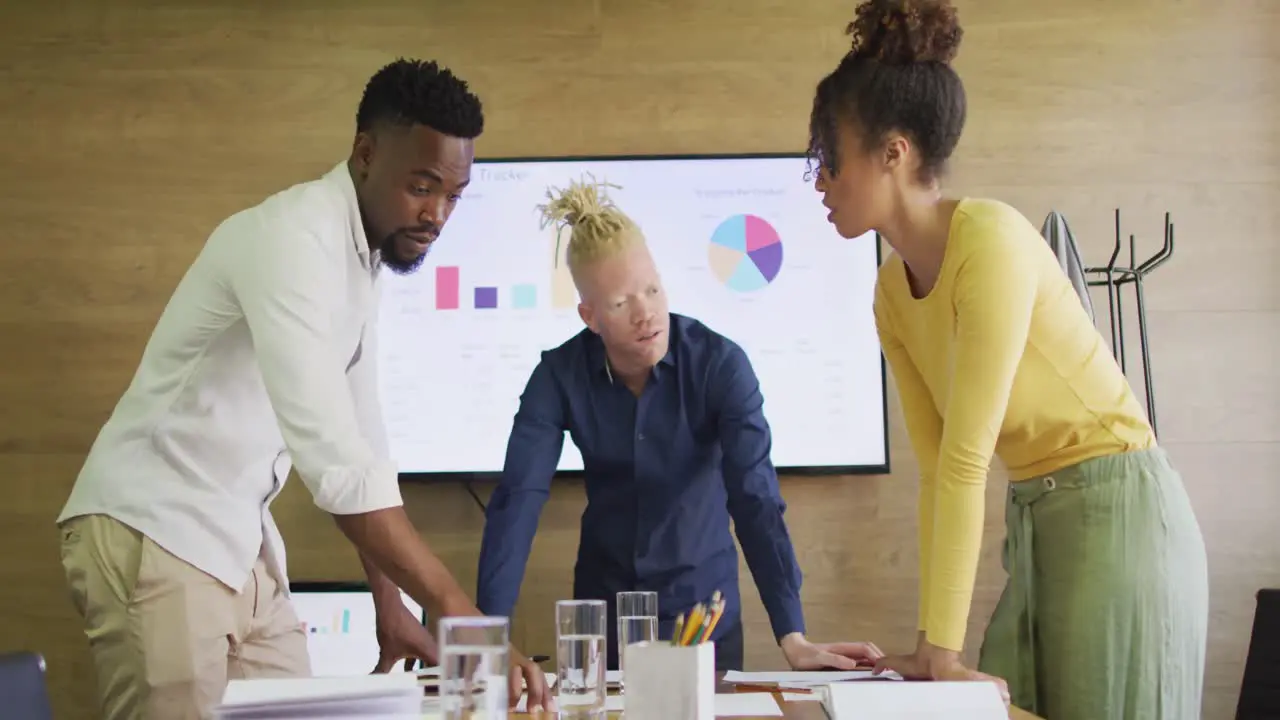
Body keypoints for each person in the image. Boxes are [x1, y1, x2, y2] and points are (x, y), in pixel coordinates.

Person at [56, 57, 551, 719]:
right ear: (366, 153)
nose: (437, 214)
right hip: (155, 529)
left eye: (453, 196)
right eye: (422, 186)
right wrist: (467, 625)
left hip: (234, 544)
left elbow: (360, 439)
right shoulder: (293, 240)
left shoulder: (360, 257)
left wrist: (390, 602)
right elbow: (338, 469)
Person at [807, 1, 1210, 718]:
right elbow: (935, 472)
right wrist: (935, 647)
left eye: (829, 157)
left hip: (1119, 510)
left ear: (893, 154)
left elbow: (966, 459)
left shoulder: (991, 239)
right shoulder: (888, 295)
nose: (820, 182)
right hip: (1038, 518)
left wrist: (941, 656)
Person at [475, 176, 885, 674]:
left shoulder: (720, 365)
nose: (646, 313)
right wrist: (489, 636)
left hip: (703, 621)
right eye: (622, 303)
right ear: (590, 316)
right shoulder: (558, 375)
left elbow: (755, 497)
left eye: (652, 289)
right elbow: (518, 499)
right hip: (605, 625)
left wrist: (792, 634)